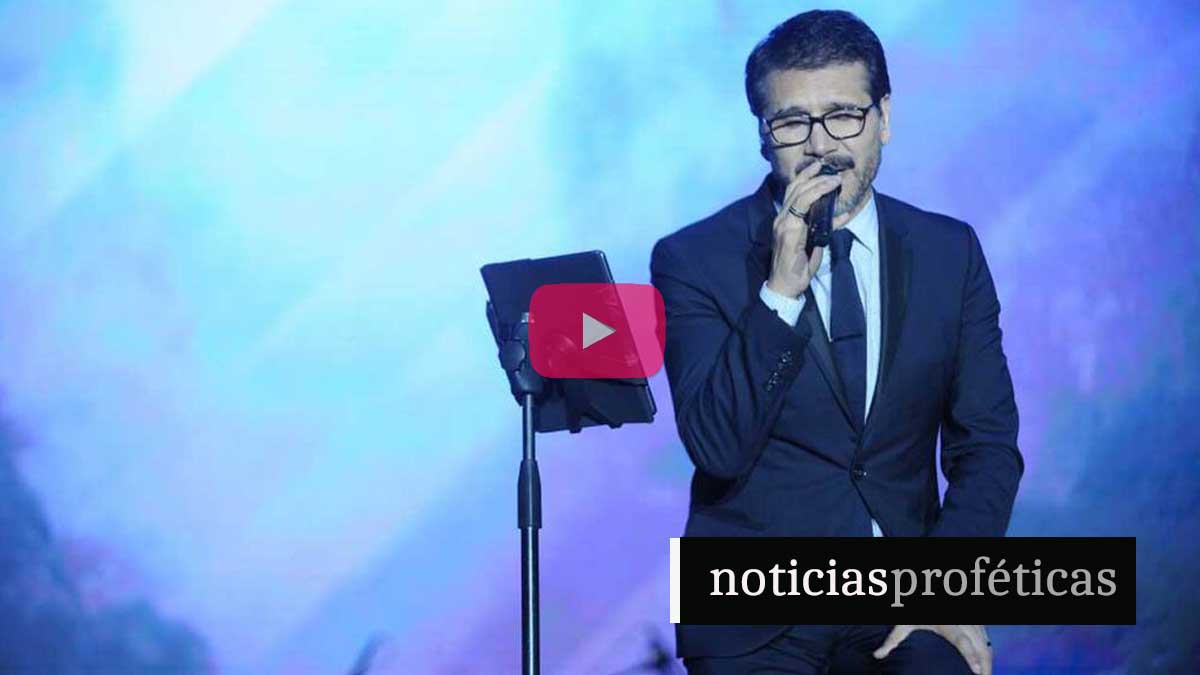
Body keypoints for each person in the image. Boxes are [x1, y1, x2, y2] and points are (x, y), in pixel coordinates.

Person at [650, 10, 1023, 675]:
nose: (821, 145)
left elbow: (987, 446)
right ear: (763, 136)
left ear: (884, 118)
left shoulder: (950, 252)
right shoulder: (692, 259)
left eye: (844, 115)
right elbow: (716, 446)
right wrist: (780, 293)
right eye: (793, 123)